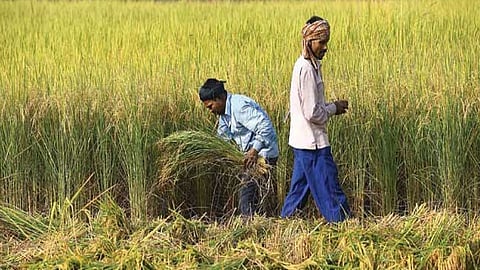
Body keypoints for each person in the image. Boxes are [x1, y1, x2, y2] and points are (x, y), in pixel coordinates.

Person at [280, 16, 351, 222]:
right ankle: (343, 226)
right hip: (313, 144)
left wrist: (330, 107)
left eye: (326, 41)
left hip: (303, 141)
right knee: (329, 186)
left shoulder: (309, 65)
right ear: (309, 41)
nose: (325, 47)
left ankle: (286, 223)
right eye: (321, 42)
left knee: (300, 189)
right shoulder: (306, 69)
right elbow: (312, 112)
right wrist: (333, 108)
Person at [198, 78, 279, 217]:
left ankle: (251, 228)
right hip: (250, 157)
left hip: (263, 155)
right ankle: (258, 223)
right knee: (252, 195)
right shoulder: (223, 114)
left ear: (220, 98)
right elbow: (222, 138)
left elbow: (266, 127)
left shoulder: (239, 107)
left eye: (210, 106)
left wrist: (254, 151)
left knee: (246, 196)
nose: (210, 111)